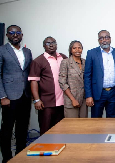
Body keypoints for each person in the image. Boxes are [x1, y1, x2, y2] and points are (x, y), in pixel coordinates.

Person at [0, 25, 32, 163]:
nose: (15, 35)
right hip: (9, 97)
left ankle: (20, 156)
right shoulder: (2, 50)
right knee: (7, 130)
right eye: (12, 33)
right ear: (7, 35)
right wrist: (2, 96)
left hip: (25, 96)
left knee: (22, 129)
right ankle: (7, 158)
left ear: (21, 35)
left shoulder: (27, 51)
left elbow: (28, 72)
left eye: (17, 33)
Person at [28, 37, 67, 135]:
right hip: (46, 103)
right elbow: (33, 81)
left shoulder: (63, 57)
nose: (51, 45)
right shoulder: (38, 61)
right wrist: (37, 100)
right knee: (46, 131)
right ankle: (45, 150)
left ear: (56, 44)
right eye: (48, 43)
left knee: (61, 130)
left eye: (53, 42)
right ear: (43, 46)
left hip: (63, 102)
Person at [84, 30, 115, 118]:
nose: (104, 40)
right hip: (98, 93)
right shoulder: (91, 53)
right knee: (96, 121)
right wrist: (89, 95)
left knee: (112, 120)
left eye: (106, 37)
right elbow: (87, 76)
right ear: (98, 40)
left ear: (110, 39)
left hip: (113, 92)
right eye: (101, 38)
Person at [59, 40, 87, 118]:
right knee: (72, 126)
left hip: (83, 99)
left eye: (79, 48)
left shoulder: (85, 62)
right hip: (71, 99)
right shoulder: (66, 62)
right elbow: (62, 83)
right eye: (74, 48)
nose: (77, 50)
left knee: (84, 125)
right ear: (71, 50)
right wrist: (73, 99)